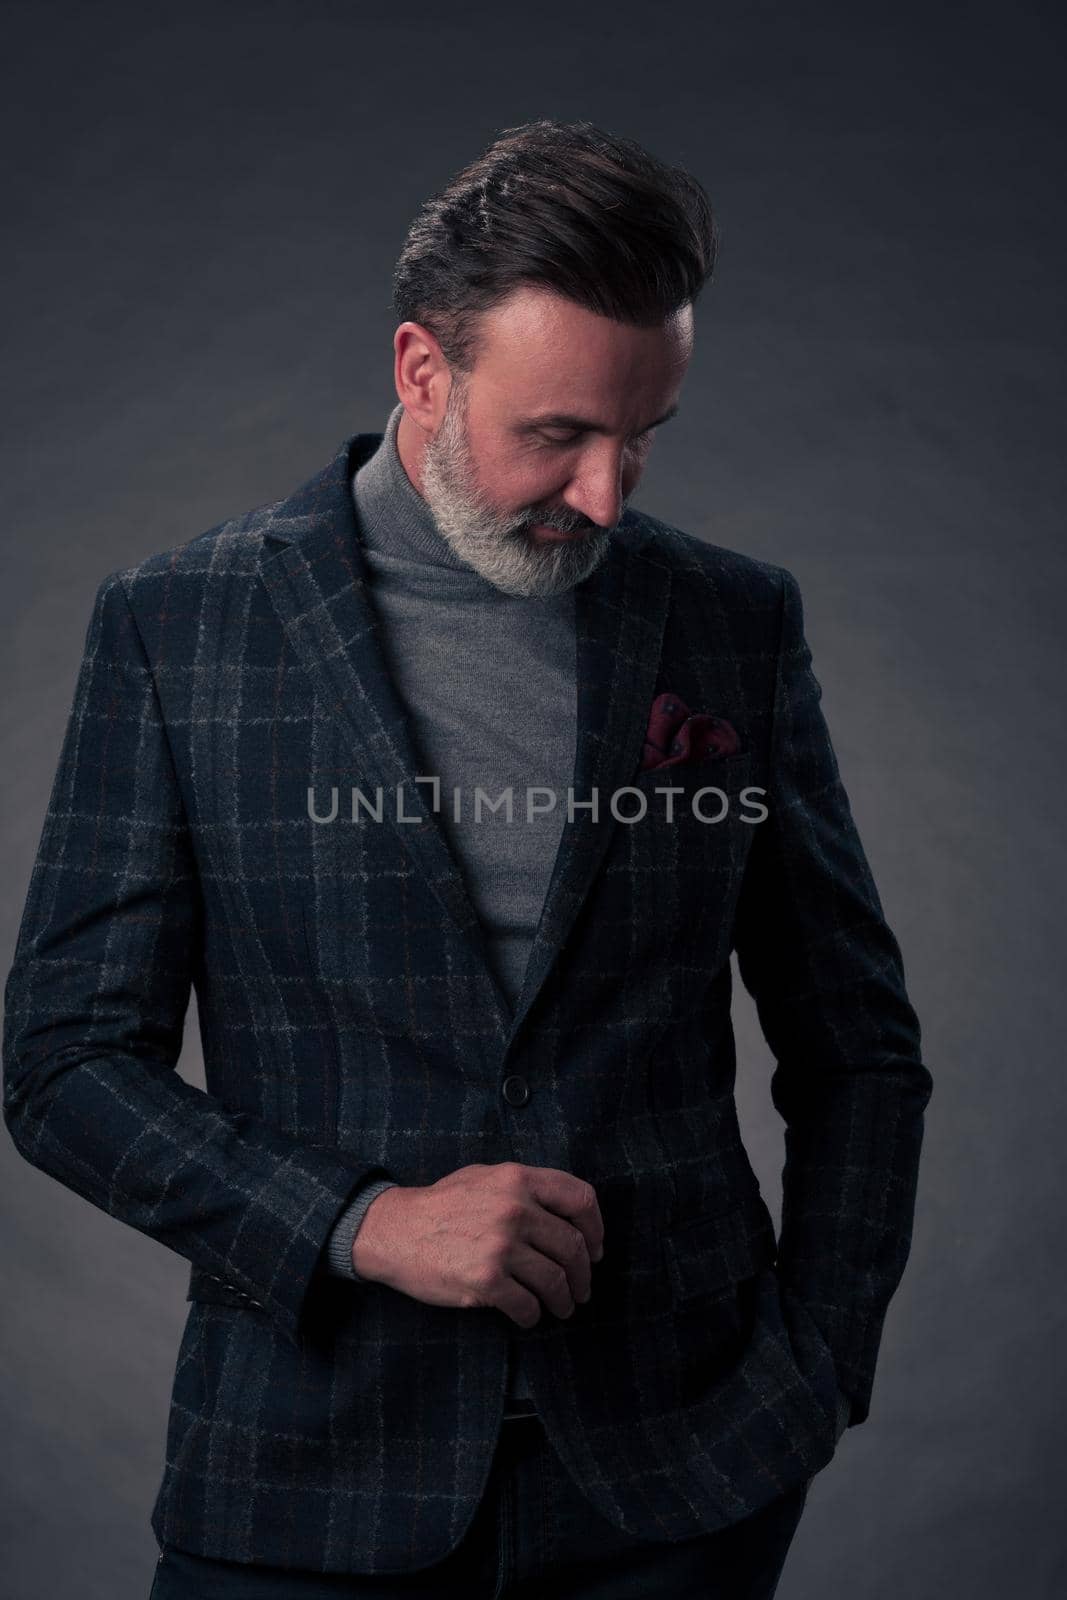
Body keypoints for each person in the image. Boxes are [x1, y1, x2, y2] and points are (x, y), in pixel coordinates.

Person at [2, 118, 932, 1598]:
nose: (608, 497)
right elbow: (58, 1065)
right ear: (422, 372)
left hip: (681, 1486)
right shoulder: (179, 628)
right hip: (300, 1479)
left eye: (642, 437)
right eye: (557, 434)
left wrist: (817, 1373)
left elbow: (860, 1049)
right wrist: (364, 1226)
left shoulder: (730, 623)